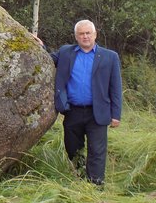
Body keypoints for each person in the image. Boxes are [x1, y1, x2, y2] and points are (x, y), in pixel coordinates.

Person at [36, 20, 122, 185]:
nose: (85, 36)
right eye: (81, 34)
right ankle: (80, 179)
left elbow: (116, 87)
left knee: (97, 151)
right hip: (72, 111)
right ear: (76, 36)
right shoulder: (65, 52)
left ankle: (95, 185)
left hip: (97, 112)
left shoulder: (110, 57)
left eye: (88, 33)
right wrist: (40, 47)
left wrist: (116, 114)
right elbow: (46, 60)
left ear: (95, 34)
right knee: (73, 149)